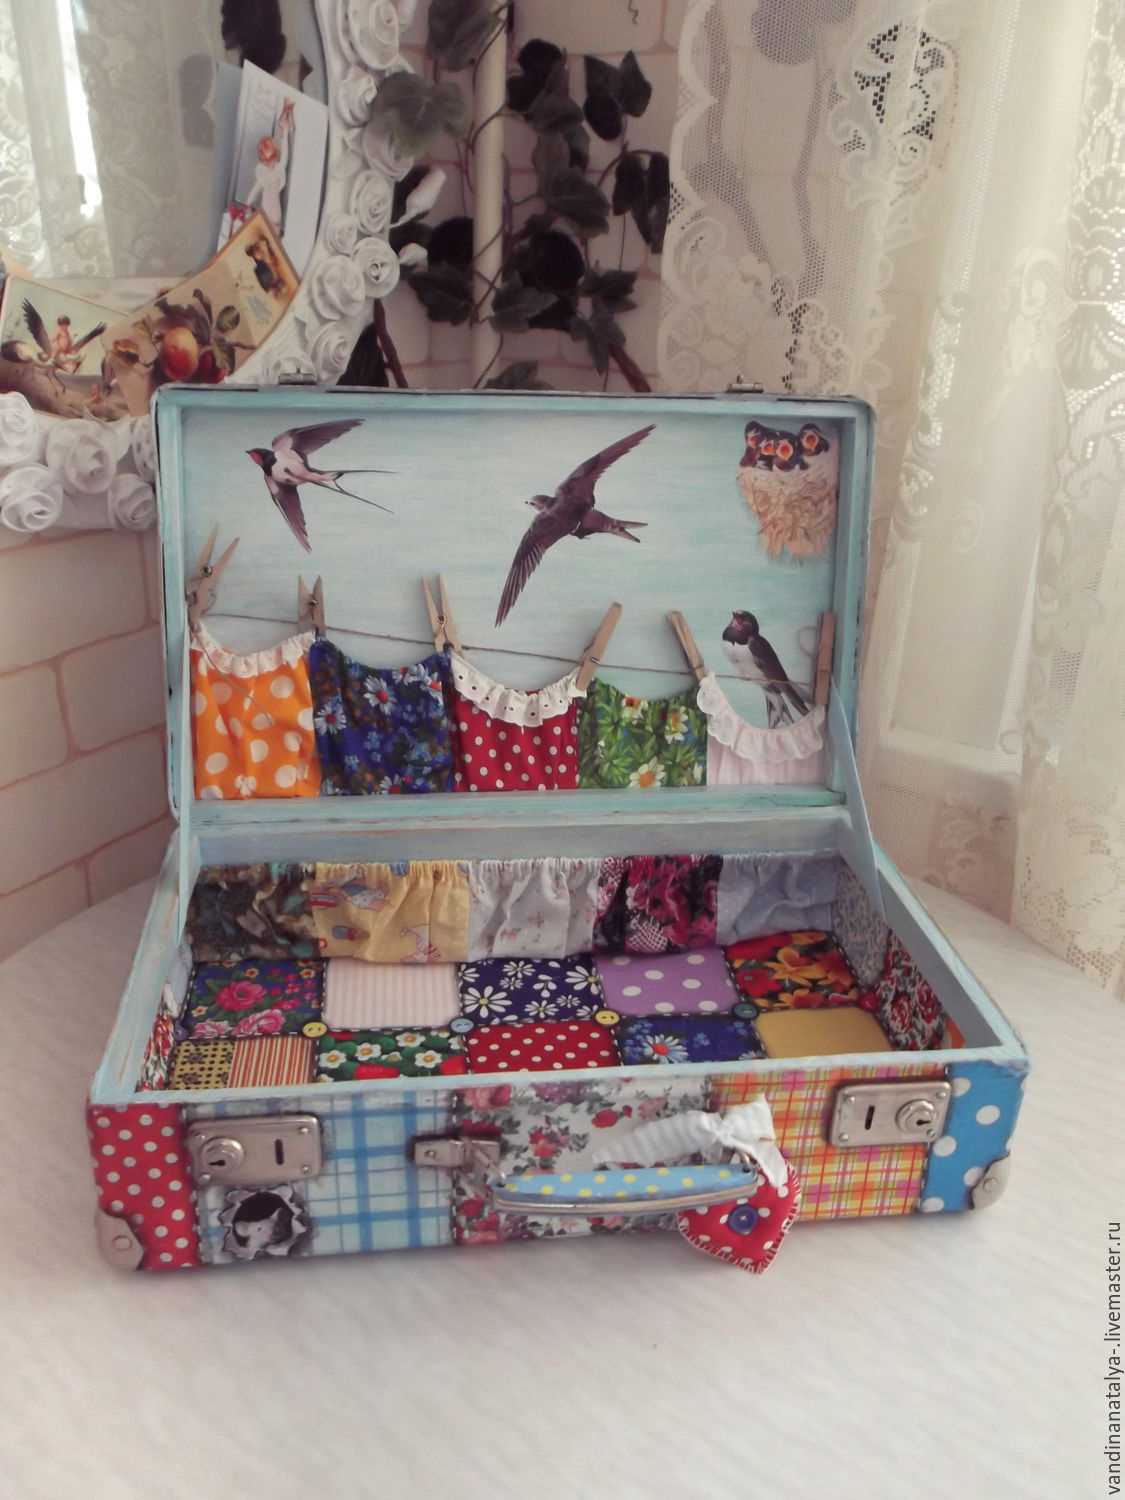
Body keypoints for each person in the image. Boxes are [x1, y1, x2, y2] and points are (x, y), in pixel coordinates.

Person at [246, 99, 293, 234]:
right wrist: (248, 204)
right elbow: (255, 189)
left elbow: (285, 154)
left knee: (271, 233)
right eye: (267, 162)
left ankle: (284, 121)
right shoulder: (264, 175)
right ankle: (284, 119)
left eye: (272, 160)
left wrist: (285, 134)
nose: (270, 163)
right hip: (266, 214)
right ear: (264, 162)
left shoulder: (278, 169)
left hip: (274, 216)